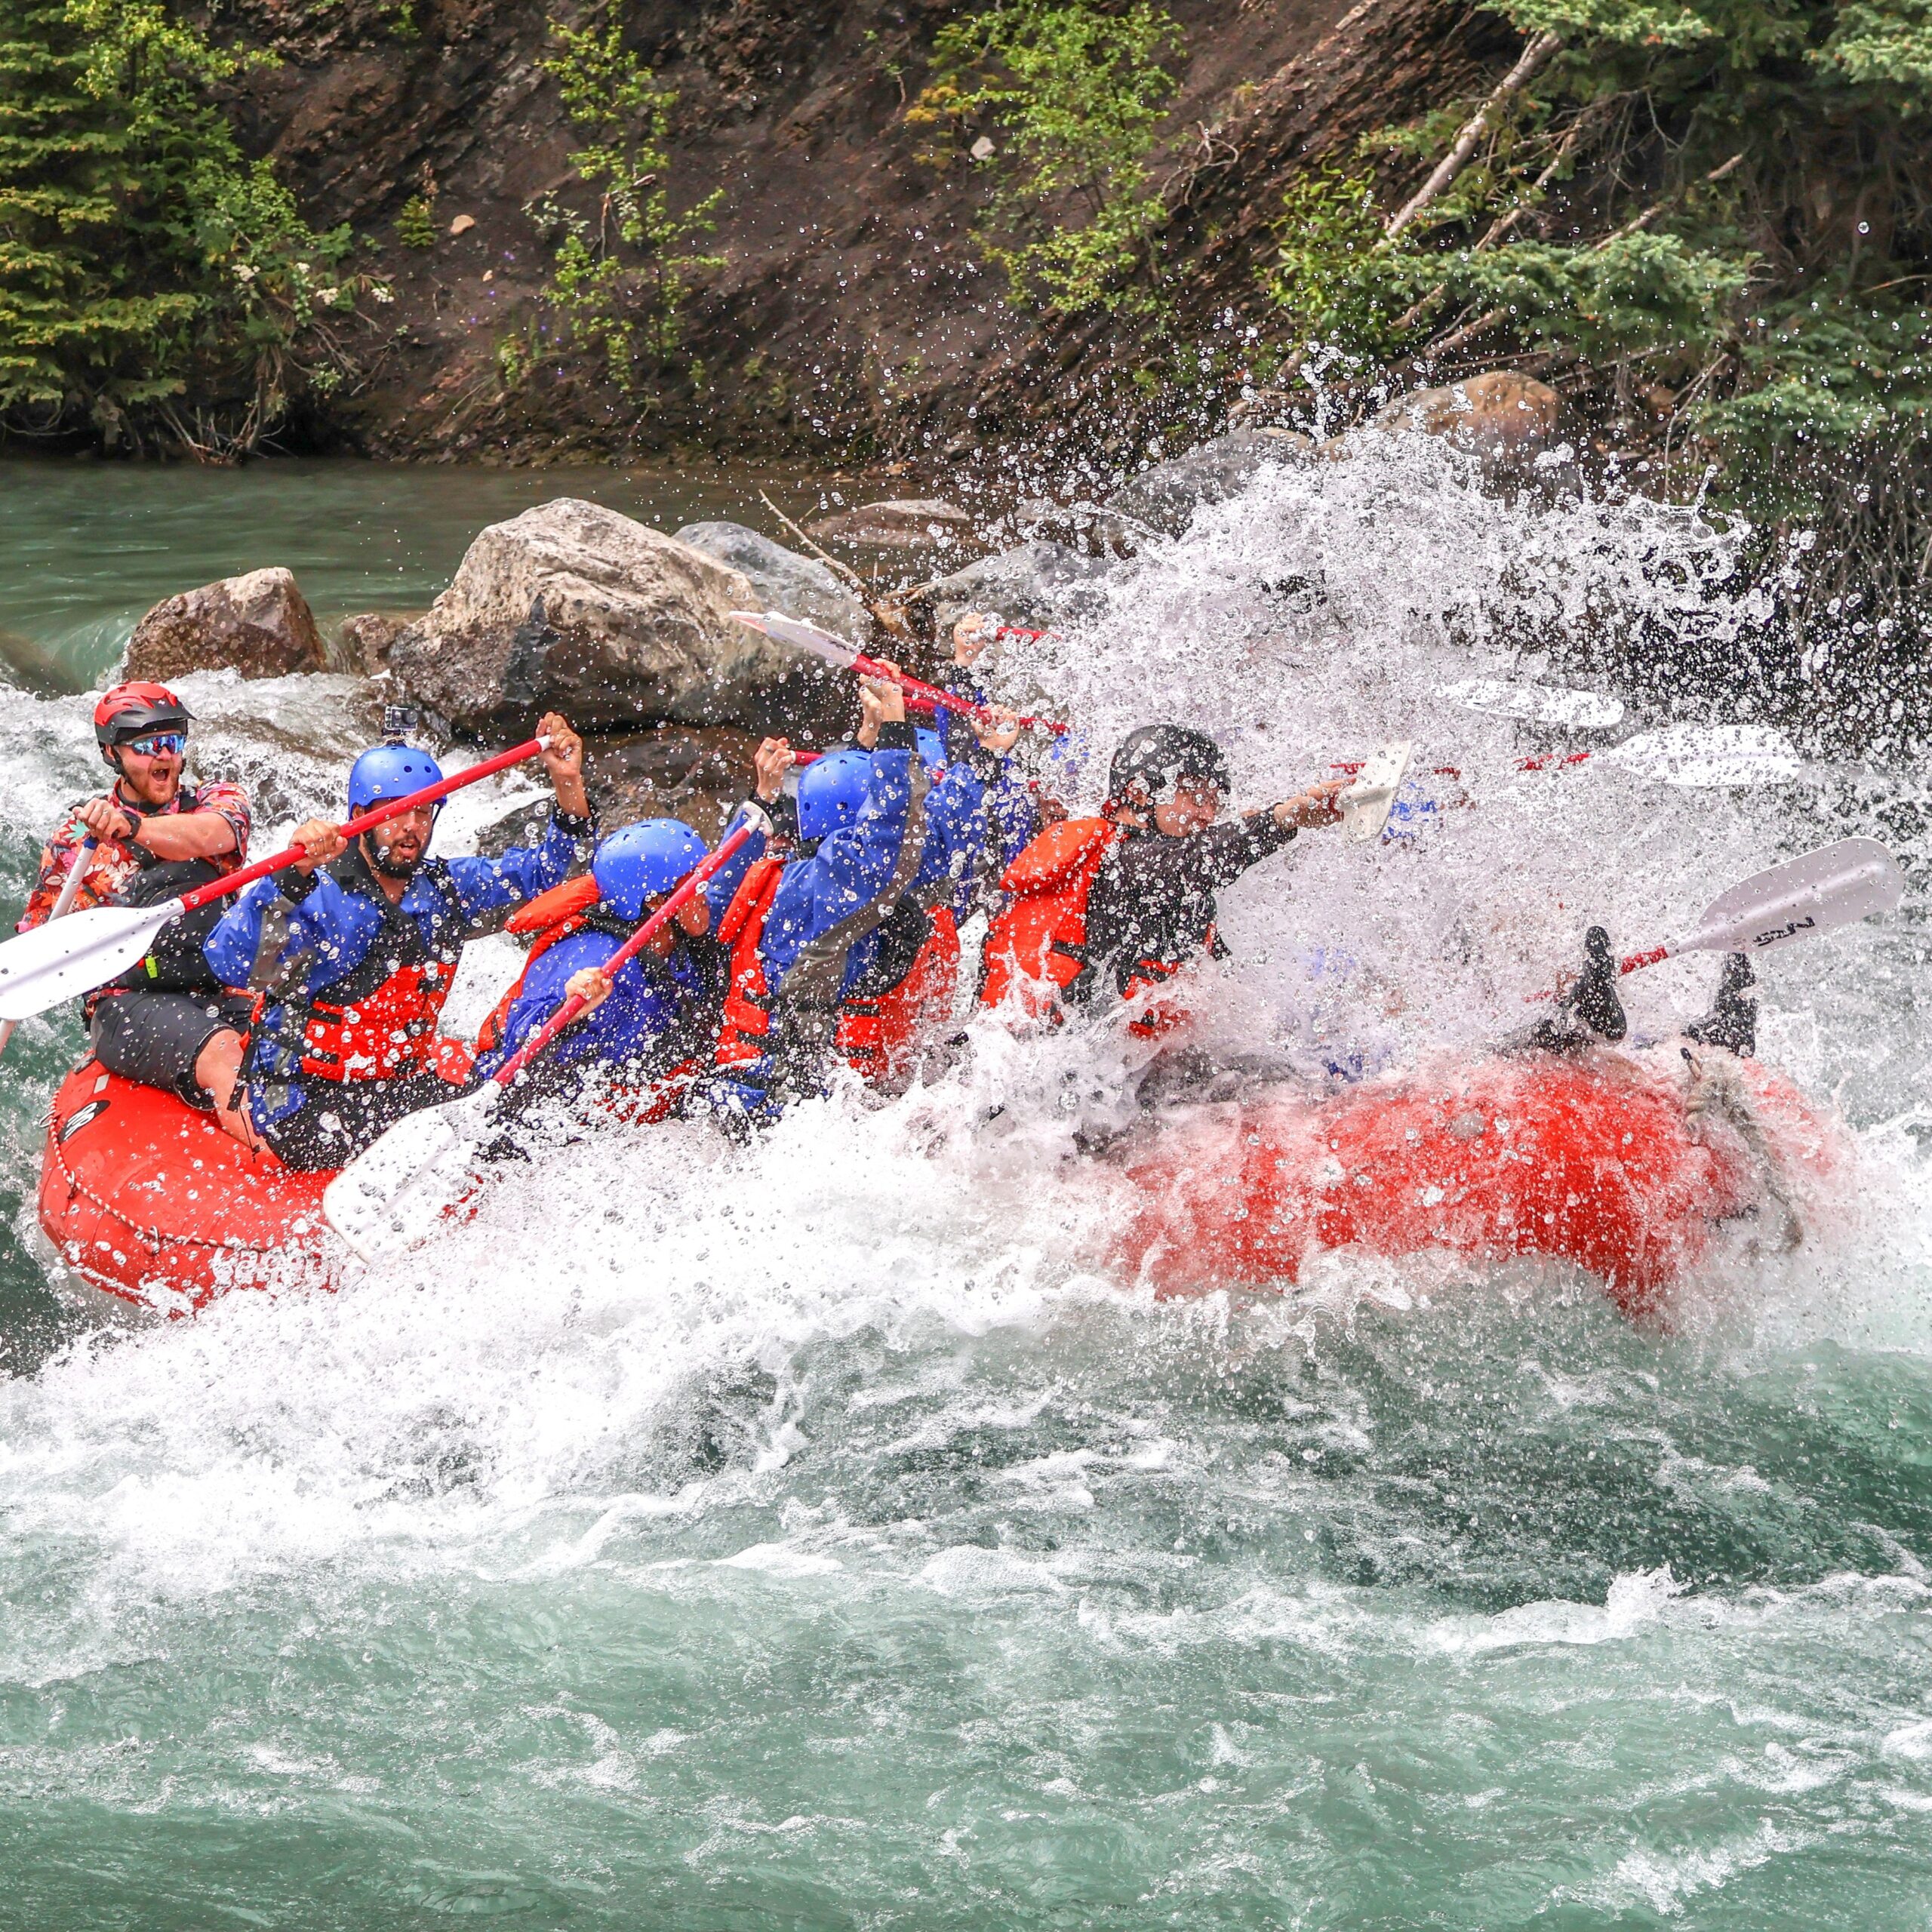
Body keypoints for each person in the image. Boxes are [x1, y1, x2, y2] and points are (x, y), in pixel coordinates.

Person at [203, 714, 595, 1169]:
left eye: (423, 811)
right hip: (301, 1097)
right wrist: (290, 877)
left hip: (397, 1082)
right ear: (360, 818)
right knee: (456, 1147)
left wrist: (566, 781)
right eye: (396, 811)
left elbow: (552, 875)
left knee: (512, 1121)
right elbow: (231, 963)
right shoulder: (315, 895)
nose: (412, 826)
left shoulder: (446, 889)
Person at [471, 738, 795, 1119]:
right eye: (696, 882)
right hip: (543, 1113)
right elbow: (520, 1041)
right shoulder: (596, 959)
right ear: (658, 901)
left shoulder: (677, 923)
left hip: (647, 1089)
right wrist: (570, 1006)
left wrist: (764, 794)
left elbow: (727, 872)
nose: (706, 889)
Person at [979, 722, 1347, 1034]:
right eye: (1197, 799)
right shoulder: (1121, 858)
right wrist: (1283, 819)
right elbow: (1195, 860)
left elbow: (1225, 984)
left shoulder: (1174, 878)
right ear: (1140, 792)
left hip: (1103, 1066)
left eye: (1215, 804)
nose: (1208, 815)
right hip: (1055, 1065)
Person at [19, 681, 255, 1136]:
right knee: (224, 1050)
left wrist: (133, 828)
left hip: (222, 987)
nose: (165, 757)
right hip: (128, 1004)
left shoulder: (217, 801)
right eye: (148, 746)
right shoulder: (77, 839)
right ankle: (276, 1162)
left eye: (173, 742)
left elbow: (213, 835)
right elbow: (42, 939)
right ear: (113, 754)